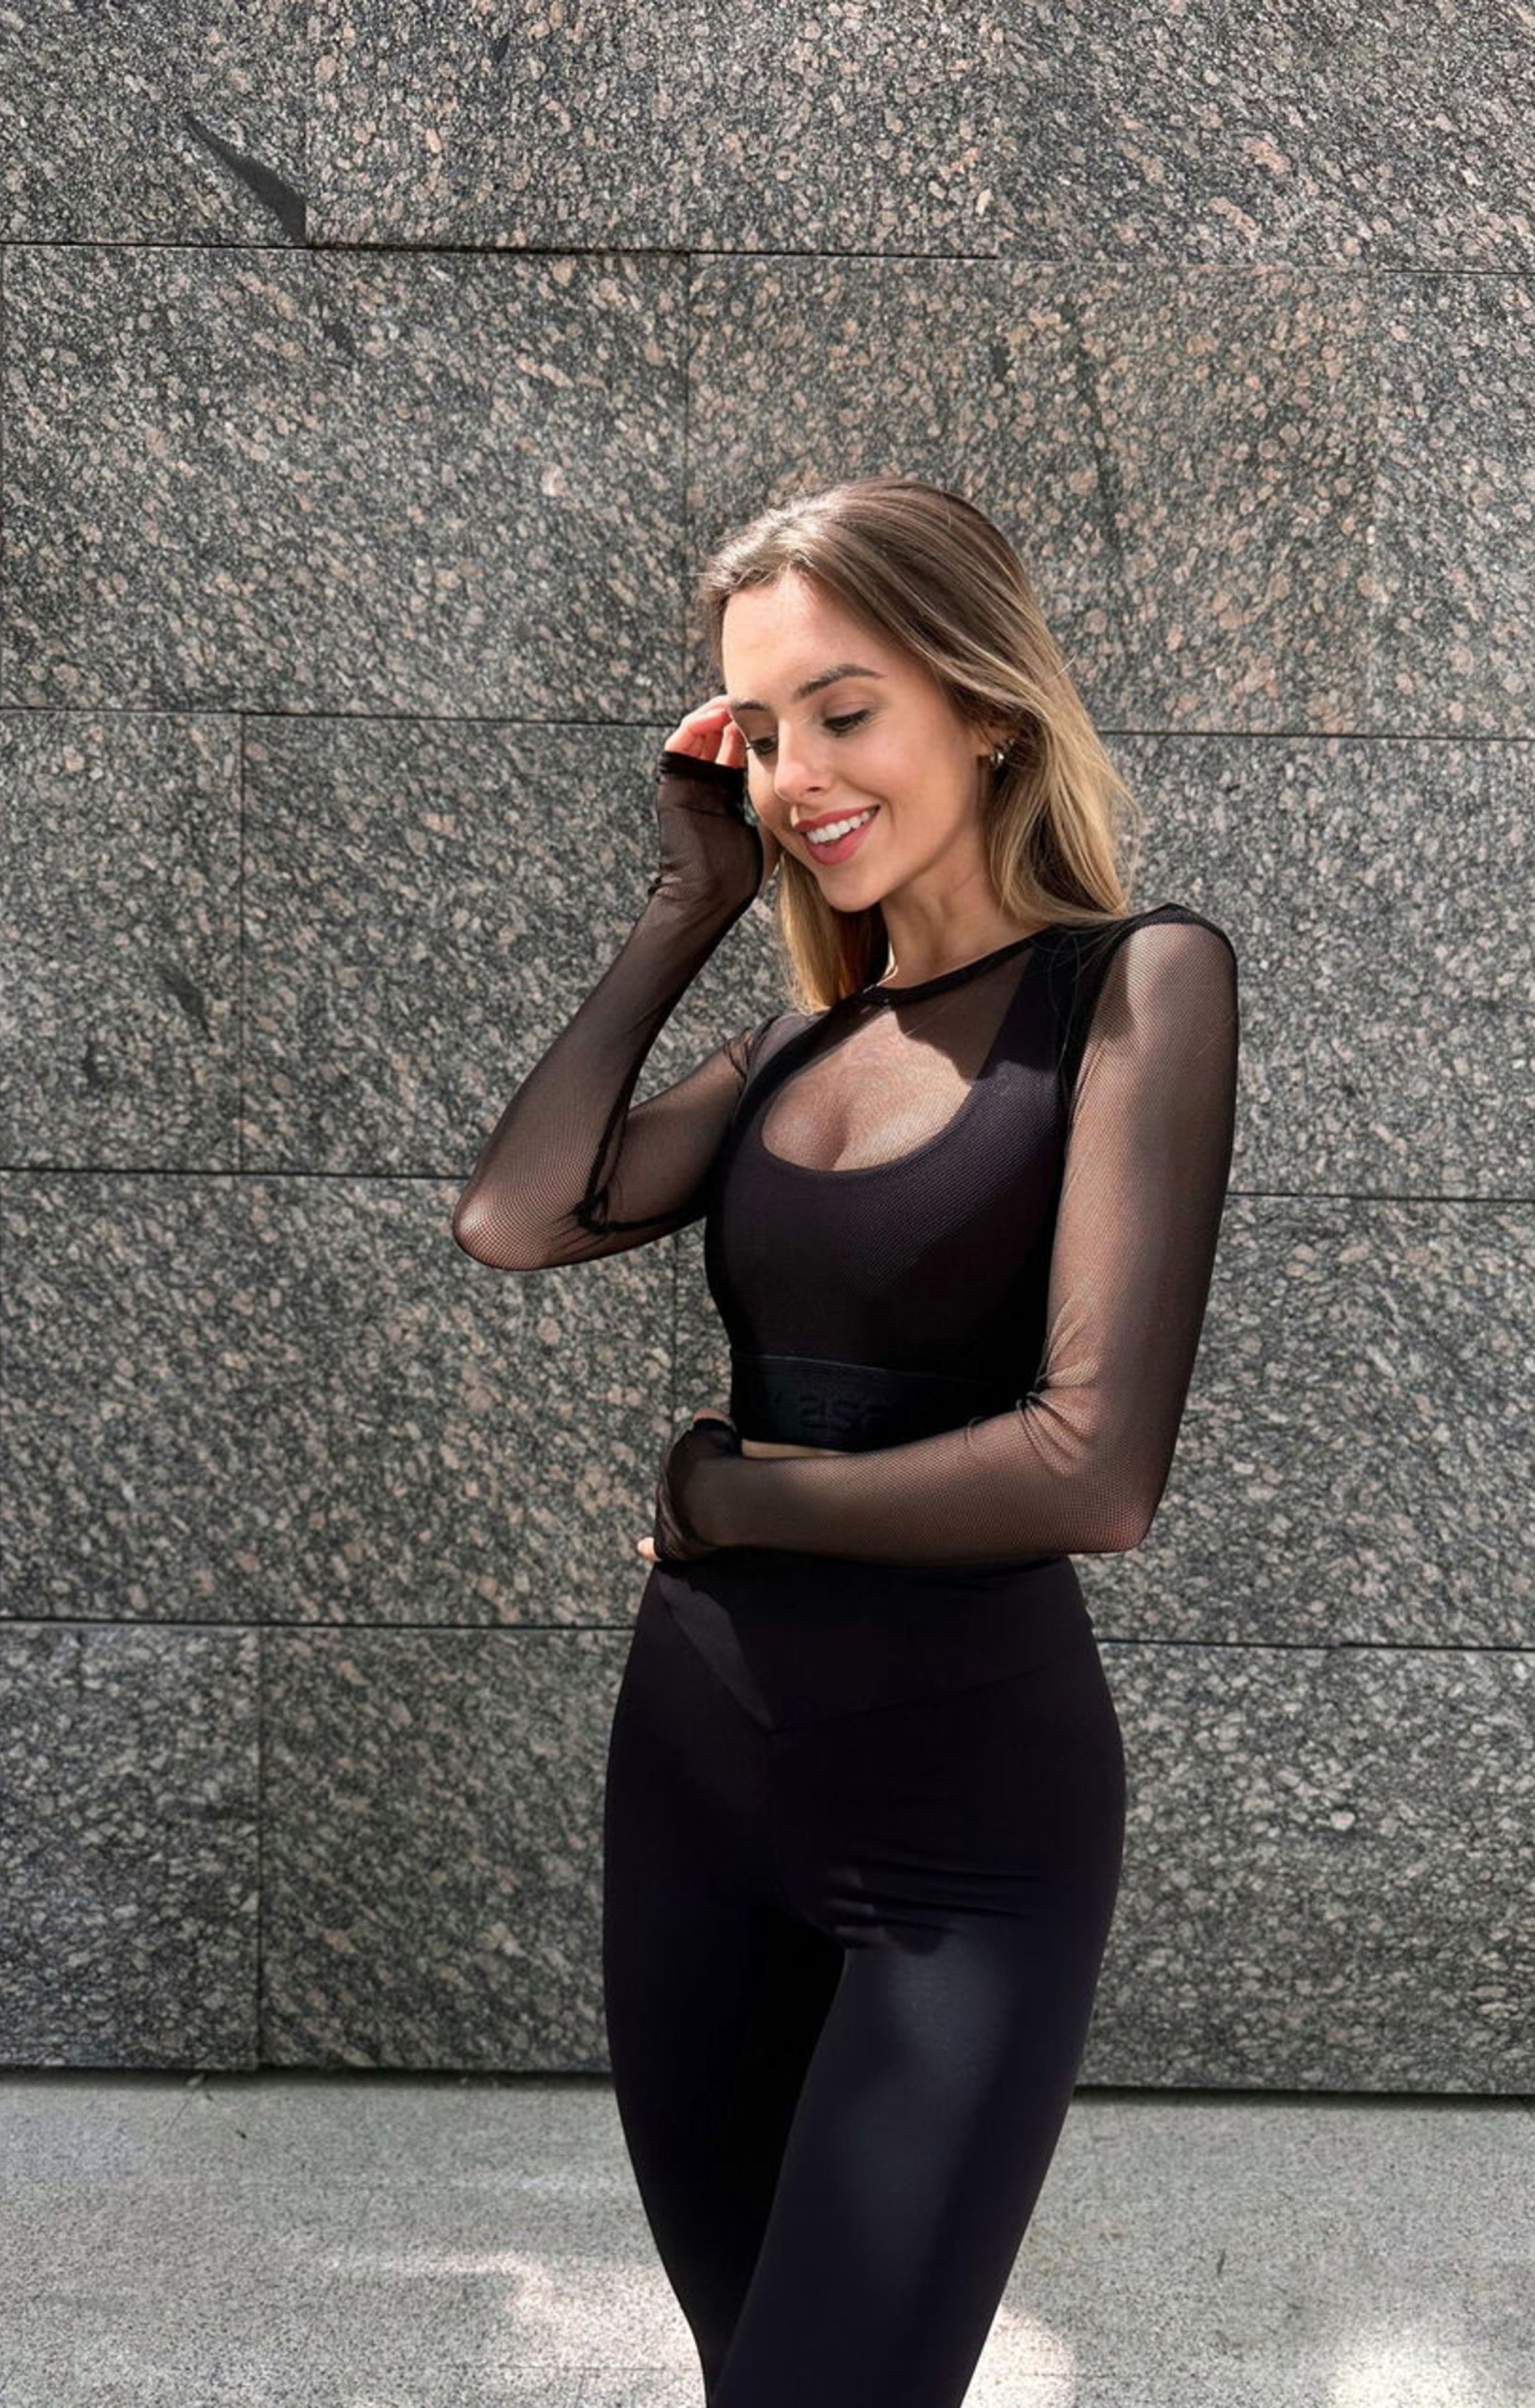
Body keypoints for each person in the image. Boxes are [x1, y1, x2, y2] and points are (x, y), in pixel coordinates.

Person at [450, 474, 1240, 2407]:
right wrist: (687, 906)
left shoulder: (1131, 986)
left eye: (843, 709)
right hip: (693, 1796)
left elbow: (1089, 1470)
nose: (795, 774)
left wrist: (727, 1494)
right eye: (760, 729)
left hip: (959, 1836)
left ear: (985, 706)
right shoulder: (798, 1047)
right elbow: (519, 1215)